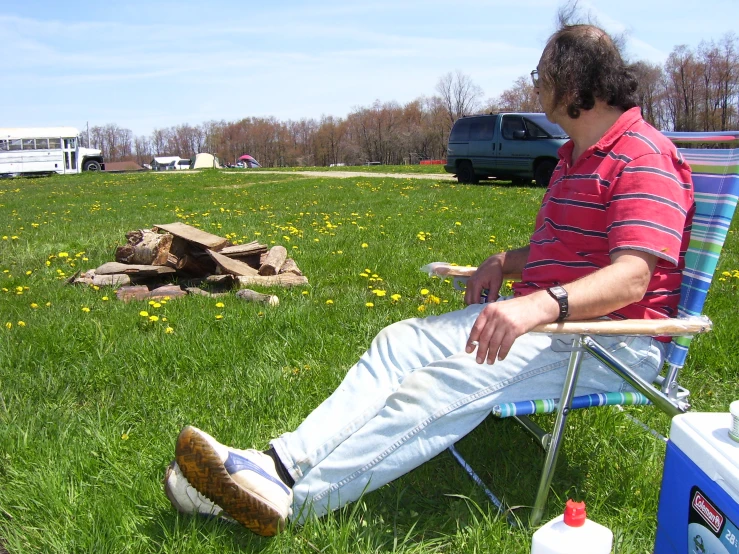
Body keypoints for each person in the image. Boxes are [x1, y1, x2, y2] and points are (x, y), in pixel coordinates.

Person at [164, 23, 695, 537]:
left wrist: (535, 307)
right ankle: (280, 463)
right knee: (401, 342)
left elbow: (631, 278)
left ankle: (287, 502)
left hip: (611, 342)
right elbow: (573, 251)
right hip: (555, 320)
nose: (536, 86)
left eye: (541, 75)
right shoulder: (573, 156)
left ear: (575, 84)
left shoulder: (642, 156)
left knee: (440, 382)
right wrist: (502, 262)